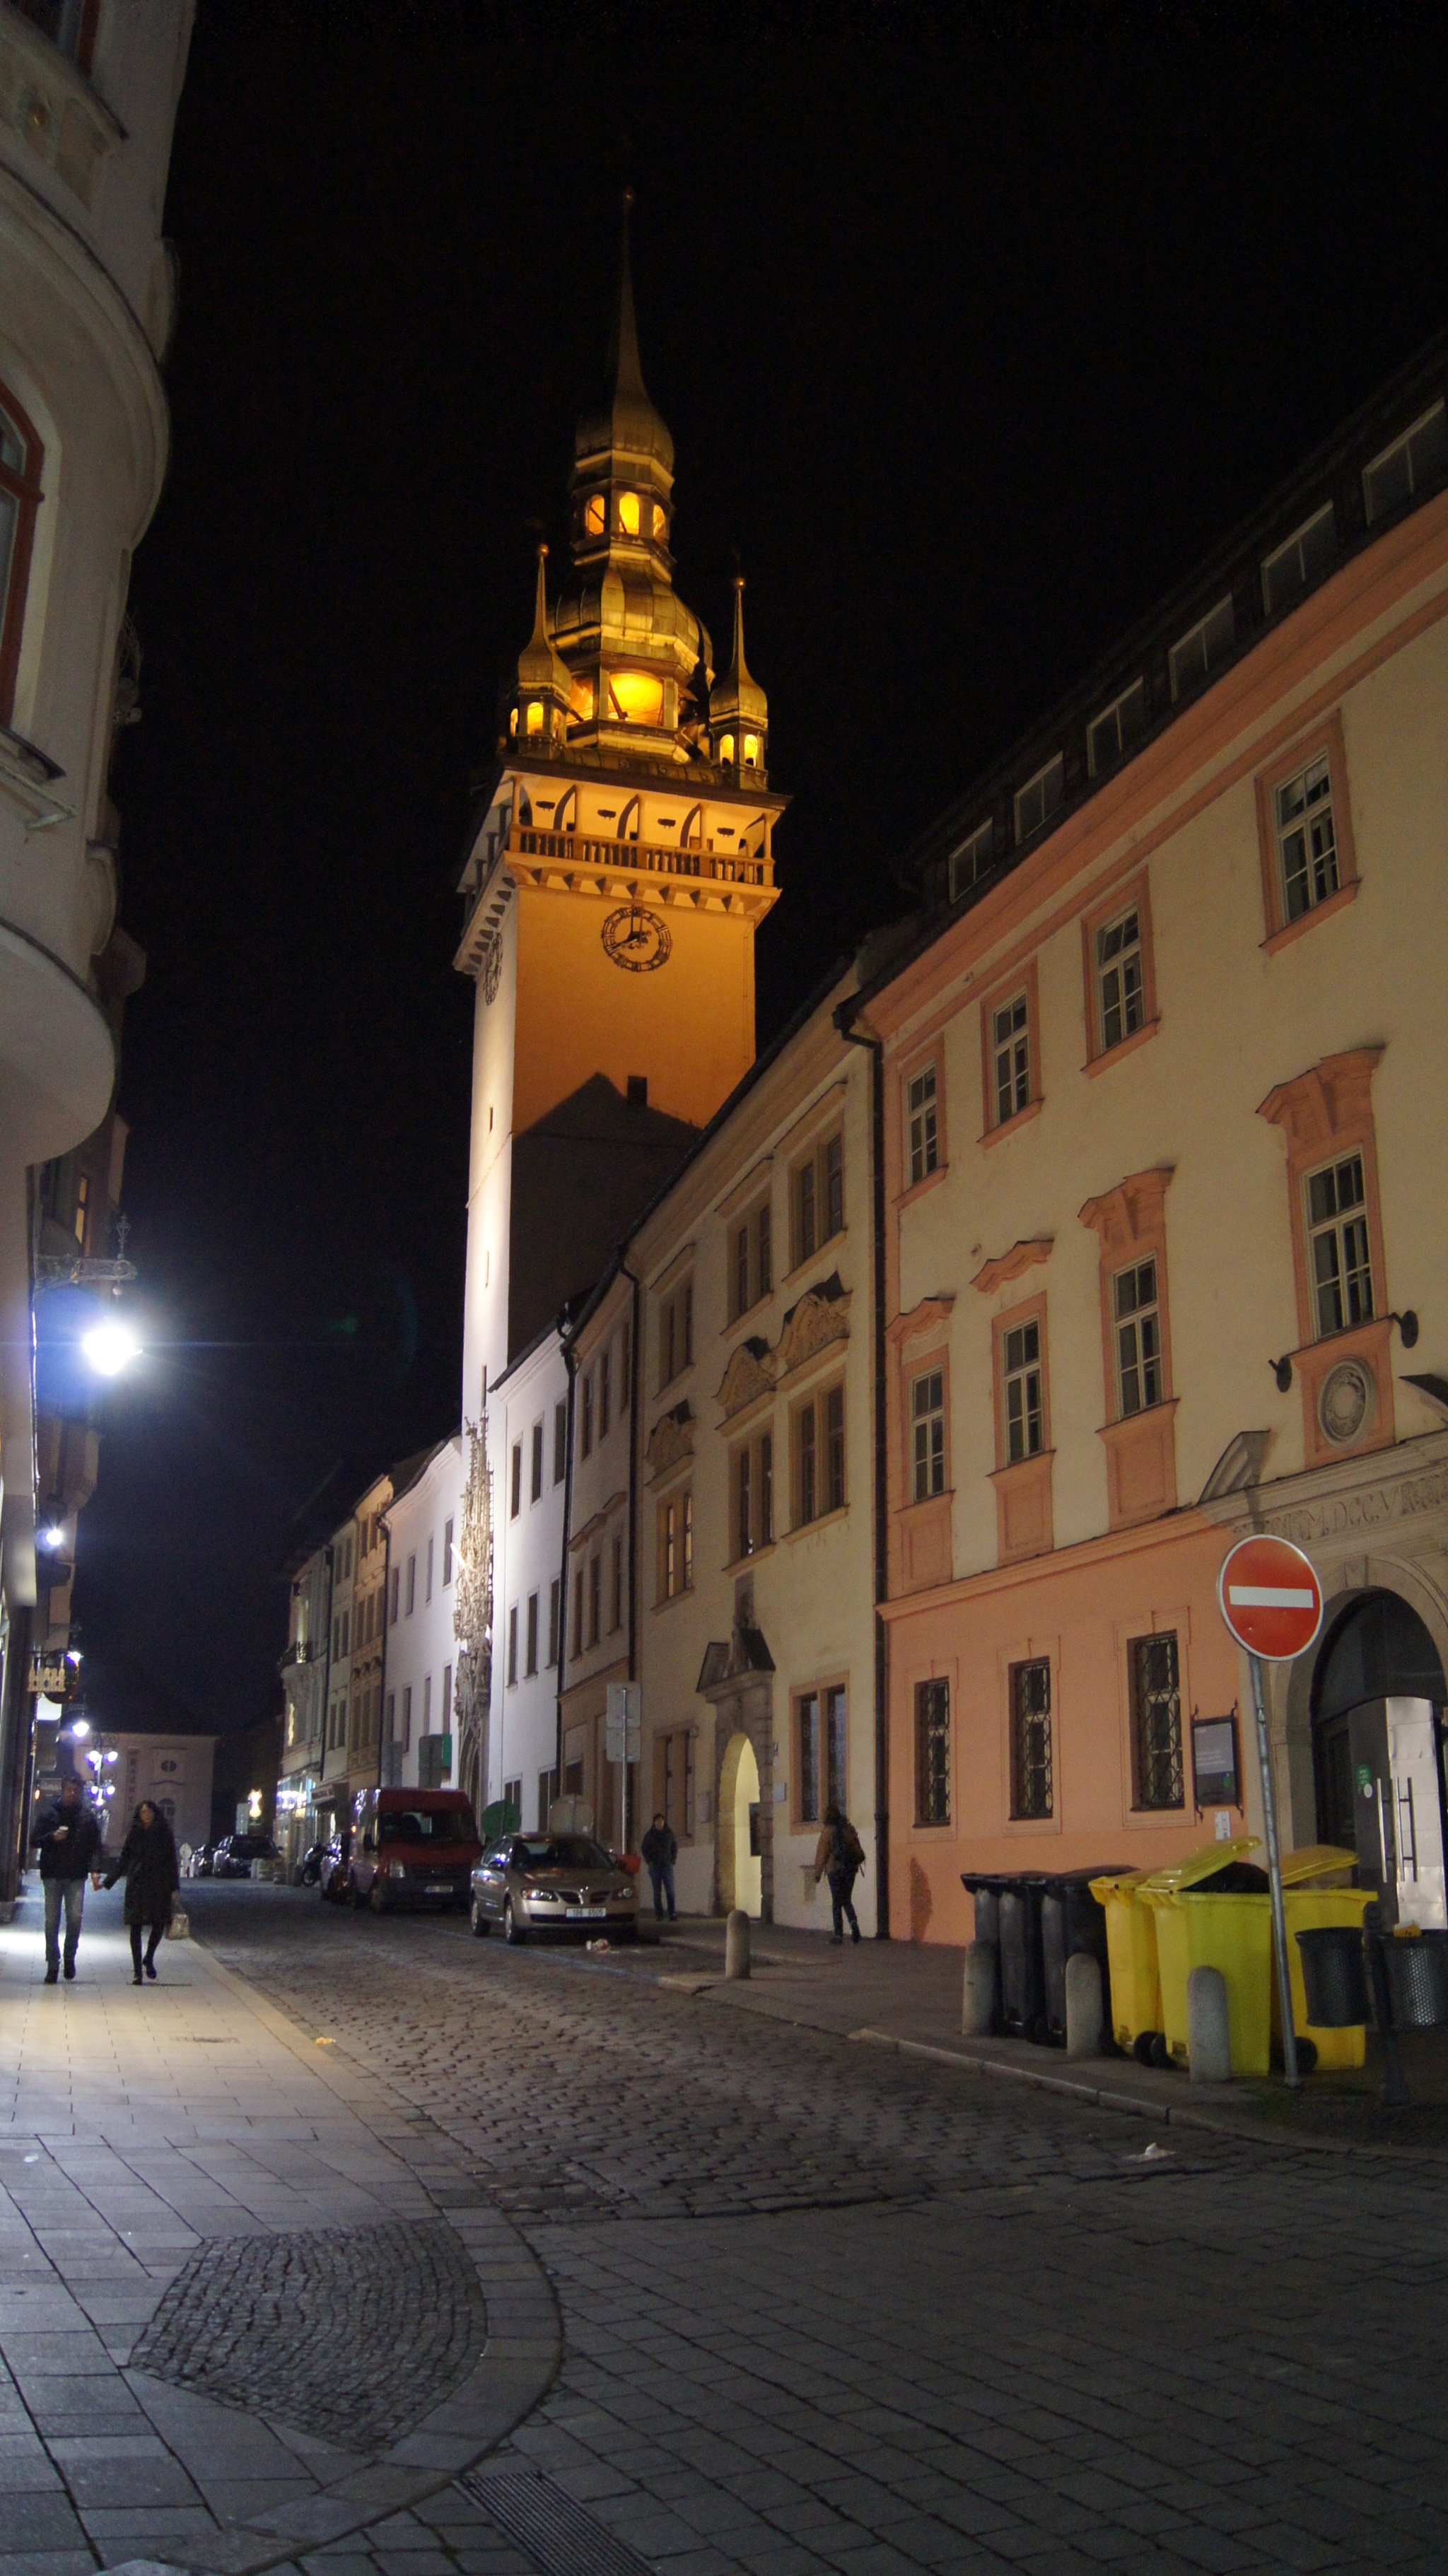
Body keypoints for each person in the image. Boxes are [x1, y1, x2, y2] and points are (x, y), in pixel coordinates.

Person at [30, 1776, 105, 1983]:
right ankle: (53, 1964)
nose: (72, 1794)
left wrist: (96, 1870)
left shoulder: (86, 1817)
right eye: (69, 1790)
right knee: (51, 1921)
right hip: (52, 1874)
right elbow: (34, 1840)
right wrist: (52, 1838)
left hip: (76, 1875)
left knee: (75, 1917)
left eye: (75, 1791)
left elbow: (95, 1846)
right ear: (62, 1791)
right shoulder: (49, 1814)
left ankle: (70, 1956)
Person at [105, 1801, 180, 1984]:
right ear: (139, 1814)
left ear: (155, 1813)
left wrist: (174, 1887)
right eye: (143, 1811)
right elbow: (124, 1858)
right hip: (137, 1886)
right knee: (136, 1926)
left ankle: (149, 1957)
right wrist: (108, 1881)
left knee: (159, 1923)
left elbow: (171, 1860)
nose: (146, 1814)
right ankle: (138, 1971)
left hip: (158, 1885)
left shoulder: (163, 1832)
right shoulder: (135, 1832)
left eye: (149, 1811)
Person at [814, 1803, 865, 1945]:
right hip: (850, 1869)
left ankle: (838, 1935)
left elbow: (822, 1854)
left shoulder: (827, 1831)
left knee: (837, 1901)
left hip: (835, 1870)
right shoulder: (848, 1828)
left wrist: (817, 1874)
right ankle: (854, 1924)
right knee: (846, 1899)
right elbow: (857, 1848)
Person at [640, 1812, 677, 1923]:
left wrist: (672, 1860)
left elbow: (674, 1847)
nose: (659, 1823)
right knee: (657, 1892)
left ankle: (672, 1913)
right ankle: (659, 1914)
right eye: (657, 1821)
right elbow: (644, 1848)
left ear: (664, 1822)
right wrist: (649, 1860)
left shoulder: (669, 1834)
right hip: (655, 1866)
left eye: (661, 1821)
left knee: (670, 1891)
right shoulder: (650, 1835)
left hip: (667, 1866)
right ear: (654, 1823)